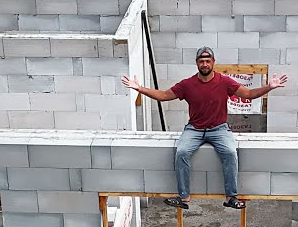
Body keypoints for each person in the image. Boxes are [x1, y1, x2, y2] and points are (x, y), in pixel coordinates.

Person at [121, 47, 288, 209]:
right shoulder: (187, 84)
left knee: (230, 153)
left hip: (219, 129)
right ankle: (184, 197)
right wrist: (140, 89)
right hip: (194, 129)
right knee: (181, 152)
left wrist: (269, 87)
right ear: (197, 63)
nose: (205, 64)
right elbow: (164, 96)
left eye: (208, 61)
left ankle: (231, 197)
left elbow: (249, 94)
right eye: (202, 61)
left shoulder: (224, 82)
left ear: (213, 62)